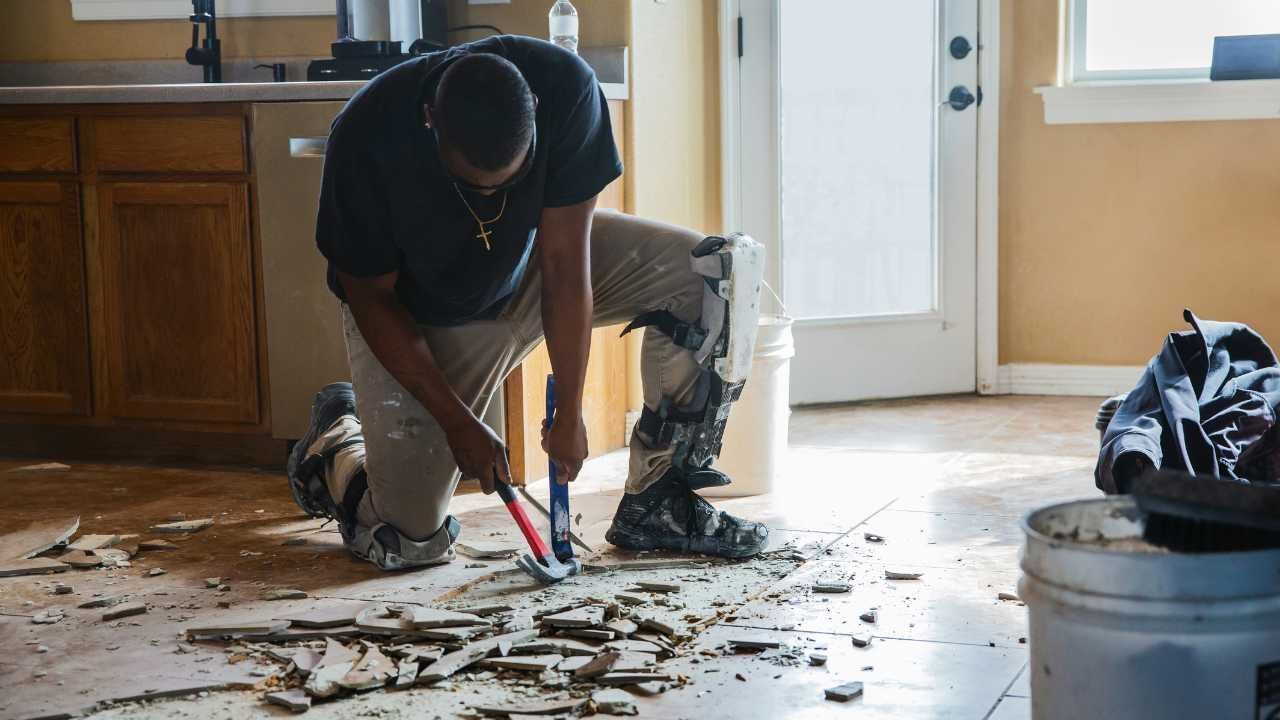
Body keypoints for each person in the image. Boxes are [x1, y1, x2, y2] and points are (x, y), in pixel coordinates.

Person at [285, 34, 769, 571]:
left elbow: (565, 265)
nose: (491, 197)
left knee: (711, 272)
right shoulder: (366, 135)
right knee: (409, 538)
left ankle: (659, 503)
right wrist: (459, 423)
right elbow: (372, 300)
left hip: (534, 267)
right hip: (421, 316)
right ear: (429, 121)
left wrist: (569, 413)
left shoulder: (566, 88)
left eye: (509, 180)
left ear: (535, 112)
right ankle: (338, 440)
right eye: (475, 186)